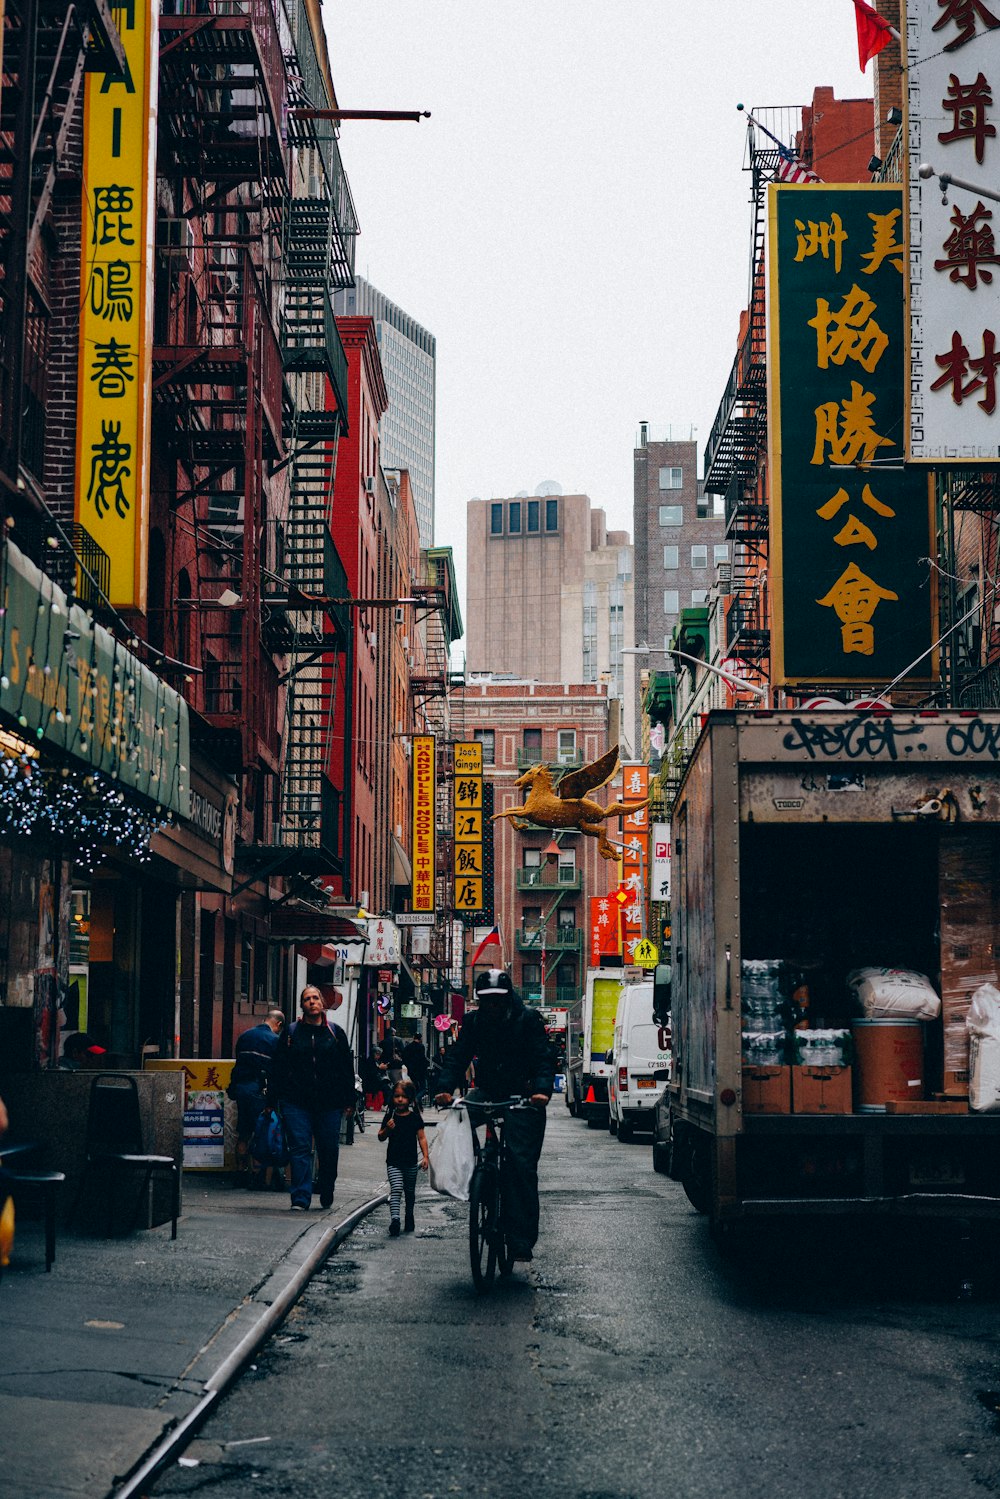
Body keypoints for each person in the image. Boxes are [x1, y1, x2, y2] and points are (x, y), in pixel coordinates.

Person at [435, 968, 555, 1262]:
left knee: (520, 1164)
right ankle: (475, 1180)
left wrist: (541, 1091)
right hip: (487, 1090)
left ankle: (519, 1237)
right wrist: (444, 1088)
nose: (491, 1006)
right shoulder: (474, 1022)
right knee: (457, 1119)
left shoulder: (526, 1020)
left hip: (522, 1095)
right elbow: (458, 1055)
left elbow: (543, 1057)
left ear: (506, 998)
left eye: (497, 1000)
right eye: (486, 1000)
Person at [272, 985, 355, 1212]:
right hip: (296, 1102)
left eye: (315, 998)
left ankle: (327, 1186)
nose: (312, 1002)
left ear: (322, 1003)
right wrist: (273, 1100)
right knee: (299, 1148)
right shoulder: (290, 1033)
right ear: (302, 1005)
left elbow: (346, 1068)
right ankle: (300, 1198)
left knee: (329, 1149)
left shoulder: (335, 1033)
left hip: (329, 1103)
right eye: (307, 999)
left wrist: (349, 1099)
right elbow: (278, 1067)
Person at [230, 1008, 285, 1188]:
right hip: (258, 1090)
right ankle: (257, 1176)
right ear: (278, 1024)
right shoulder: (275, 1041)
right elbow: (276, 1073)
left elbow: (237, 1064)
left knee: (244, 1132)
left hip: (241, 1088)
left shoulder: (244, 1036)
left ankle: (239, 1173)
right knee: (262, 1133)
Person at [378, 1079, 429, 1236]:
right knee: (397, 1189)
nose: (400, 1099)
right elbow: (380, 1136)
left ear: (410, 1099)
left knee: (409, 1192)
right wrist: (387, 1128)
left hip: (410, 1162)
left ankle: (409, 1215)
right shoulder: (390, 1116)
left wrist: (426, 1156)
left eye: (404, 1096)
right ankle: (395, 1220)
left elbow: (421, 1138)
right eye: (397, 1096)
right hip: (393, 1161)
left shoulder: (414, 1118)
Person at [402, 1035, 429, 1102]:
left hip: (411, 1071)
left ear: (413, 1037)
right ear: (420, 1039)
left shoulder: (408, 1047)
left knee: (415, 1086)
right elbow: (422, 1058)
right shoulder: (421, 1046)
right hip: (420, 1071)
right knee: (423, 1088)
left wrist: (408, 1066)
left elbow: (404, 1058)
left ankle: (415, 1100)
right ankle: (416, 1099)